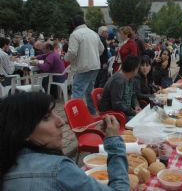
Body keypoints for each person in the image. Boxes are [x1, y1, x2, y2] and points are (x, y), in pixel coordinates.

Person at [0, 92, 129, 191]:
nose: (61, 122)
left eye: (55, 113)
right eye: (46, 118)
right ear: (24, 131)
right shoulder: (58, 169)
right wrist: (114, 142)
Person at [64, 15, 104, 115]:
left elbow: (72, 52)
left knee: (77, 91)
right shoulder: (94, 33)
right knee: (89, 90)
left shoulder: (75, 34)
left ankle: (76, 115)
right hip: (95, 66)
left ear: (74, 24)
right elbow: (101, 49)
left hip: (83, 67)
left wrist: (65, 58)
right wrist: (93, 56)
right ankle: (91, 111)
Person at [100, 56, 141, 121]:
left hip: (125, 111)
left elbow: (133, 94)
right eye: (138, 68)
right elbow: (117, 104)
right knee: (139, 122)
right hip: (113, 114)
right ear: (134, 69)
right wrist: (133, 112)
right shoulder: (118, 80)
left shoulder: (130, 77)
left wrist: (136, 105)